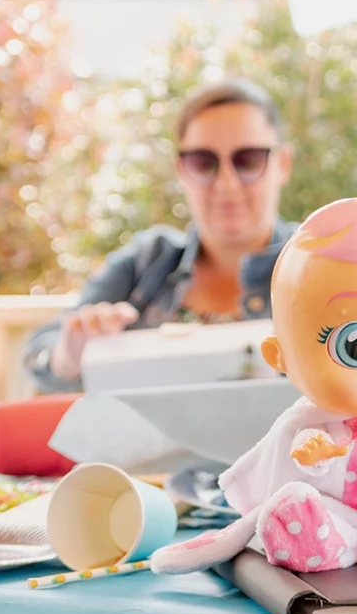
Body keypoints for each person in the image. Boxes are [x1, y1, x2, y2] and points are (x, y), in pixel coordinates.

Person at [23, 79, 296, 393]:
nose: (226, 184)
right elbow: (40, 352)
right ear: (181, 170)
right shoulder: (147, 261)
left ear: (283, 164)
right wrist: (72, 352)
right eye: (203, 162)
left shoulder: (320, 263)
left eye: (248, 160)